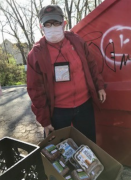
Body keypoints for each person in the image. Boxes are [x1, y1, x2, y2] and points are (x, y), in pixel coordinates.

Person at [27, 4, 106, 142]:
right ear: (42, 27)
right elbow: (35, 91)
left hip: (84, 105)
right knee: (59, 150)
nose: (52, 27)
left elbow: (91, 64)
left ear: (64, 23)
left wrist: (99, 86)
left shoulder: (76, 40)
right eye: (48, 24)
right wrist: (45, 121)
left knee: (88, 145)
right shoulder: (36, 54)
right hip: (58, 111)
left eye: (56, 23)